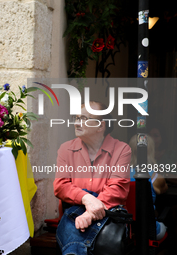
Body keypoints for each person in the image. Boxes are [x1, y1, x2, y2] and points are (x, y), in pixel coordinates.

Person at [53, 101, 131, 255]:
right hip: (74, 211)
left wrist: (89, 213)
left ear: (100, 126)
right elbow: (61, 185)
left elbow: (118, 188)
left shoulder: (122, 149)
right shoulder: (65, 149)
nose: (76, 123)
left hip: (108, 212)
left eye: (83, 118)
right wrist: (87, 199)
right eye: (76, 118)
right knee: (74, 217)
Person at [128, 134, 168, 240]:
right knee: (167, 225)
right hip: (149, 229)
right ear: (151, 151)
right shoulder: (155, 177)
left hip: (125, 228)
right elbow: (164, 190)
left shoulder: (119, 175)